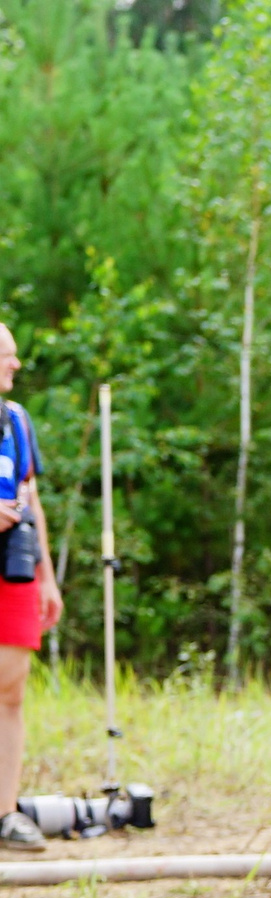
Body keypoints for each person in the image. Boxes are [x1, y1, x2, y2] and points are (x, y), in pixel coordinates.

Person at [0, 325, 63, 854]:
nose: (15, 365)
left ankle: (6, 812)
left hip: (13, 567)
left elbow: (31, 495)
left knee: (11, 687)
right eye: (6, 356)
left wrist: (46, 576)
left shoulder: (16, 420)